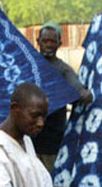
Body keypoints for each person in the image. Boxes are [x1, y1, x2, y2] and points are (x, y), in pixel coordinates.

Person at [33, 21, 93, 172]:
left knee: (49, 186)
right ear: (38, 42)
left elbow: (80, 92)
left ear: (60, 43)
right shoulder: (29, 65)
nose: (48, 45)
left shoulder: (64, 70)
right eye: (45, 41)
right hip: (27, 141)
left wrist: (83, 93)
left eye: (53, 41)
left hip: (52, 143)